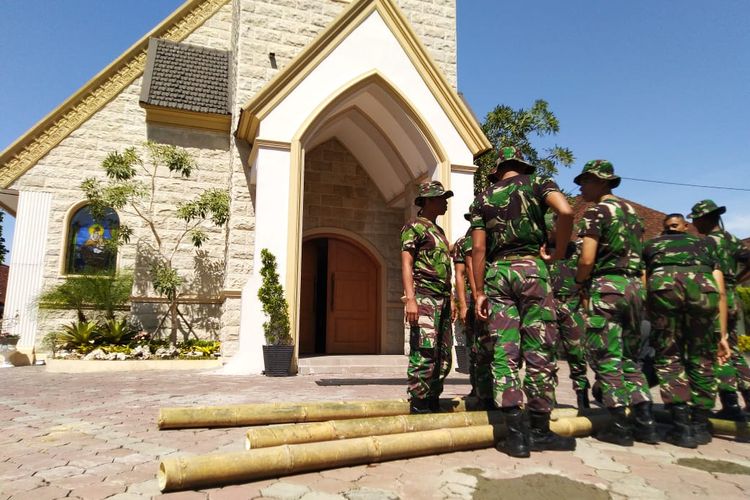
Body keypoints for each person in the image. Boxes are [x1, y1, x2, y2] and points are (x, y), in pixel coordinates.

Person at [470, 146, 575, 458]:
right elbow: (566, 212)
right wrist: (558, 251)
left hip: (498, 273)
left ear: (499, 169)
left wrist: (478, 291)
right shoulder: (538, 183)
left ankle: (515, 436)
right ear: (521, 165)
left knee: (505, 351)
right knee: (539, 348)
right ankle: (540, 431)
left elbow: (478, 249)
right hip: (532, 269)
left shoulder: (482, 198)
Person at [574, 159, 658, 446]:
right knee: (630, 358)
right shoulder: (632, 213)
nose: (582, 186)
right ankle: (645, 421)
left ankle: (619, 425)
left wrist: (580, 282)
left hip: (607, 286)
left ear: (601, 181)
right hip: (635, 287)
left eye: (585, 181)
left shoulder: (596, 212)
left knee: (607, 354)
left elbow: (586, 258)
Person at [643, 213, 730, 447]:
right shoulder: (707, 244)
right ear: (684, 227)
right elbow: (720, 289)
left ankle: (681, 428)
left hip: (664, 291)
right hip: (703, 293)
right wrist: (722, 335)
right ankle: (701, 425)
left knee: (669, 357)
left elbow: (644, 283)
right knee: (702, 358)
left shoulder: (651, 245)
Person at [689, 199, 750, 420]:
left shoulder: (705, 244)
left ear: (705, 218)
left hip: (715, 299)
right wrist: (737, 278)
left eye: (695, 219)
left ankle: (730, 404)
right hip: (733, 298)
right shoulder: (733, 241)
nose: (694, 223)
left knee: (718, 351)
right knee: (733, 350)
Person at [401, 181, 454, 414]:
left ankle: (433, 398)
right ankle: (419, 404)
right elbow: (406, 263)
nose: (445, 202)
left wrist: (451, 298)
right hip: (424, 298)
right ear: (429, 200)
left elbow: (446, 267)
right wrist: (410, 298)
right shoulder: (414, 227)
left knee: (443, 354)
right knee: (425, 351)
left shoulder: (438, 231)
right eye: (442, 198)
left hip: (442, 299)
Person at [545, 213, 590, 409]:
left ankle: (582, 397)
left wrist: (588, 310)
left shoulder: (577, 249)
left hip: (573, 305)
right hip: (548, 306)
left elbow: (586, 280)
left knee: (577, 354)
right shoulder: (541, 251)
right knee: (547, 355)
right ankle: (549, 399)